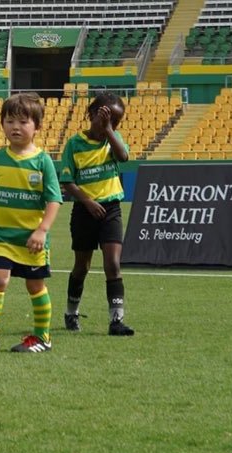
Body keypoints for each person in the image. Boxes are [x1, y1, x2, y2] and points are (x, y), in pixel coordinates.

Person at [0, 94, 62, 354]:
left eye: (23, 121)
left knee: (35, 286)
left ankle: (42, 336)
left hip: (31, 240)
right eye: (9, 121)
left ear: (37, 126)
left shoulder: (43, 162)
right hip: (2, 237)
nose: (15, 127)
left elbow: (55, 199)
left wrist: (42, 230)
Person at [58, 92, 135, 336]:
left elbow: (123, 157)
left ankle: (116, 321)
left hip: (111, 209)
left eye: (115, 122)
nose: (108, 127)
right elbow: (68, 181)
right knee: (82, 266)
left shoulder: (113, 140)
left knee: (112, 263)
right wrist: (88, 201)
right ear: (91, 115)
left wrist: (110, 130)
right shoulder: (74, 144)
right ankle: (71, 312)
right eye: (103, 120)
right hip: (84, 210)